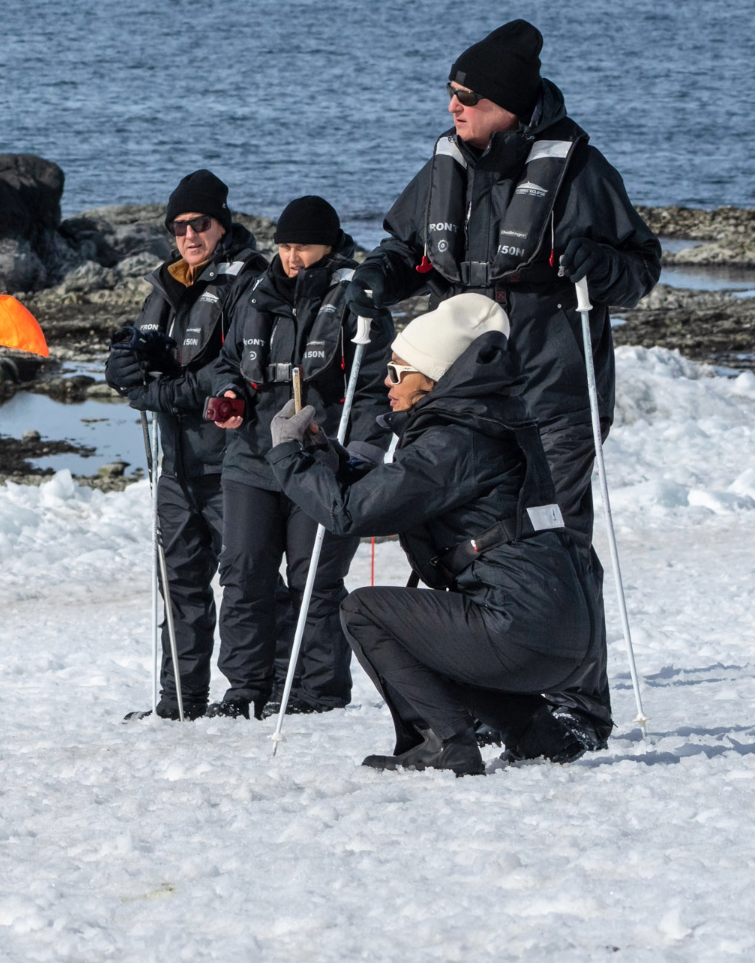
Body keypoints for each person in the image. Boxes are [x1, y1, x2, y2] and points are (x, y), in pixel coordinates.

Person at [348, 19, 663, 745]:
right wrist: (375, 276)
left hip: (551, 396)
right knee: (459, 544)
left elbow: (641, 269)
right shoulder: (444, 167)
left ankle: (580, 708)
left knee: (556, 547)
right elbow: (408, 250)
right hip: (460, 404)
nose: (454, 107)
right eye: (451, 93)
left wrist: (597, 263)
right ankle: (493, 702)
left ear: (511, 107)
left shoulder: (579, 171)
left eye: (469, 96)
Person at [266, 295, 604, 774]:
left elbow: (350, 513)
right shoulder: (489, 419)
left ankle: (444, 742)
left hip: (525, 635)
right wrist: (330, 457)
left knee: (363, 611)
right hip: (565, 640)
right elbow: (402, 488)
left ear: (436, 377)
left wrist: (287, 457)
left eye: (398, 372)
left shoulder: (452, 438)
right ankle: (537, 734)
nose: (386, 381)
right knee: (429, 629)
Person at [199, 196, 389, 717]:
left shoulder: (360, 297)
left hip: (319, 462)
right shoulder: (256, 293)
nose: (290, 256)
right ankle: (244, 690)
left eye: (301, 246)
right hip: (251, 457)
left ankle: (318, 693)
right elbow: (228, 362)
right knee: (242, 573)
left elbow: (374, 390)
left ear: (328, 244)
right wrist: (229, 395)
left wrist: (362, 460)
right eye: (284, 245)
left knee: (314, 581)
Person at [104, 170, 267, 720]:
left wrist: (164, 391)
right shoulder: (164, 285)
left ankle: (248, 696)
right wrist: (121, 366)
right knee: (178, 583)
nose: (190, 235)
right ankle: (179, 703)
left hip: (235, 460)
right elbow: (142, 356)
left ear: (222, 223)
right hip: (176, 462)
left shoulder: (250, 281)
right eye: (179, 227)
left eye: (200, 224)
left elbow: (239, 368)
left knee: (245, 582)